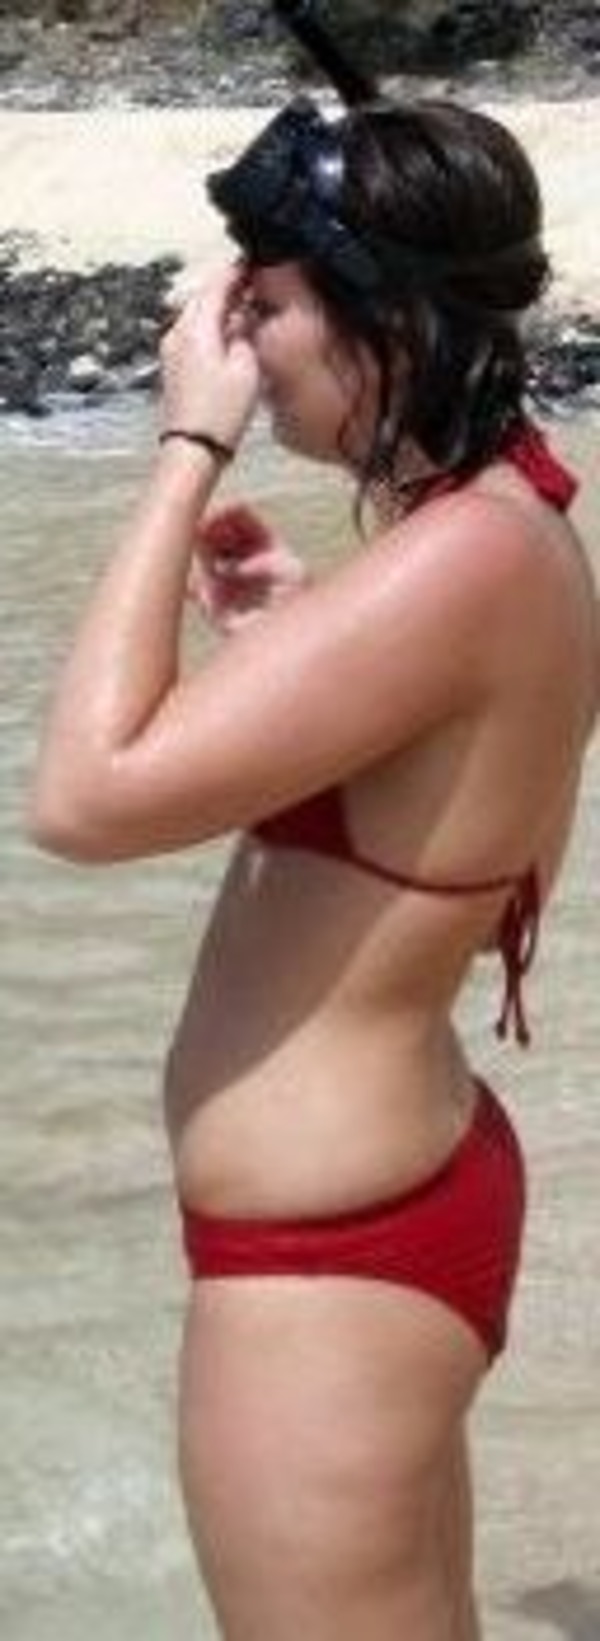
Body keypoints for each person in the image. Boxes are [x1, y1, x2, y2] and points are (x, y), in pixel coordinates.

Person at [31, 91, 599, 1641]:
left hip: (330, 1260)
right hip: (380, 1208)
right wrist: (304, 644)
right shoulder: (501, 524)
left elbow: (84, 796)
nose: (234, 335)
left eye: (265, 303)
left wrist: (182, 450)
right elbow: (481, 851)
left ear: (386, 321)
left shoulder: (468, 557)